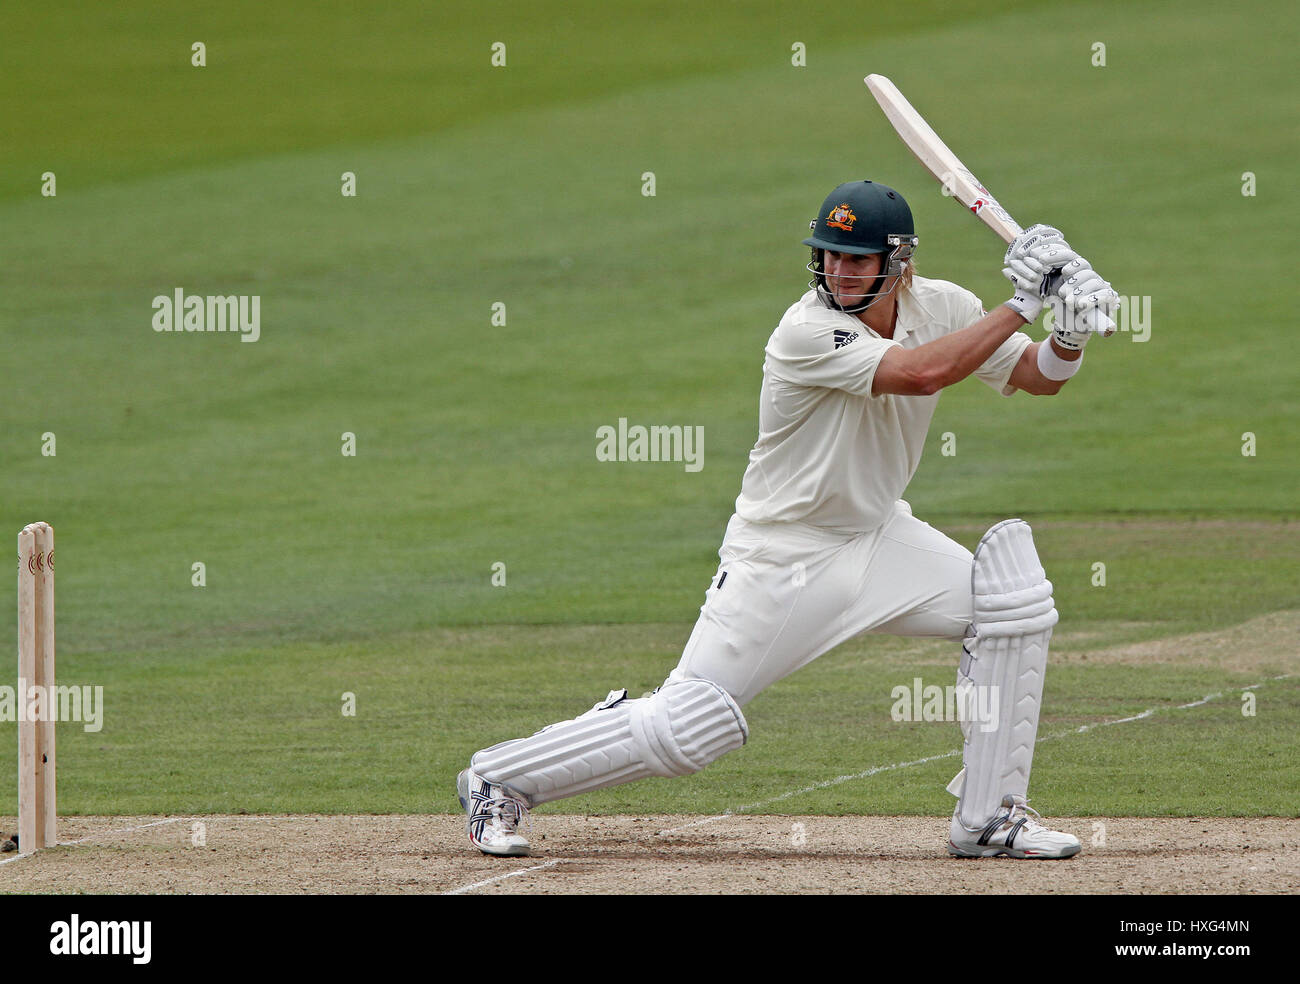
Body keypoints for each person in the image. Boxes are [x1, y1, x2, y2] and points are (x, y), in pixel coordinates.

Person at [457, 179, 1118, 860]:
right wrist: (1025, 302)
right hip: (783, 557)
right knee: (692, 728)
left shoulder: (945, 306)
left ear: (899, 264)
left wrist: (1065, 329)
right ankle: (499, 777)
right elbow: (921, 374)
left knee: (1012, 603)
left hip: (877, 535)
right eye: (828, 255)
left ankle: (989, 819)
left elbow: (1039, 377)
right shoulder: (807, 329)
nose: (837, 270)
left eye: (855, 260)